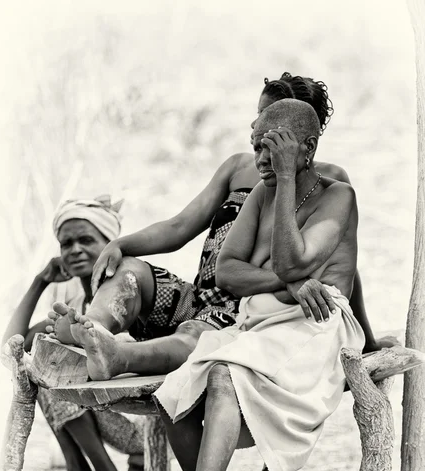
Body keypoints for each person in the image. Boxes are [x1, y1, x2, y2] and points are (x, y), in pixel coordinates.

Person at [126, 98, 365, 471]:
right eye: (256, 146)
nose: (261, 158)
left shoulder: (338, 197)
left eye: (273, 147)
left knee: (223, 373)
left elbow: (293, 258)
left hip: (316, 326)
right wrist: (291, 282)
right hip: (260, 320)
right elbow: (228, 272)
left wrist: (289, 184)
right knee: (178, 390)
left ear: (308, 148)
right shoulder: (261, 194)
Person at [46, 74, 391, 383]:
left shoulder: (327, 184)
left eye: (270, 120)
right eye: (258, 117)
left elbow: (345, 268)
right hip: (199, 297)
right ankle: (90, 329)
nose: (258, 126)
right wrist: (122, 244)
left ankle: (116, 356)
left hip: (245, 313)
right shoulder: (238, 167)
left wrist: (367, 340)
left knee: (197, 335)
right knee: (132, 271)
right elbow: (180, 226)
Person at [2, 195, 146, 471]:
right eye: (66, 244)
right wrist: (40, 281)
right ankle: (79, 470)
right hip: (112, 416)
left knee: (49, 369)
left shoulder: (123, 296)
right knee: (31, 365)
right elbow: (11, 346)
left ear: (110, 245)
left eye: (86, 240)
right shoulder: (75, 309)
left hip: (143, 421)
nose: (75, 249)